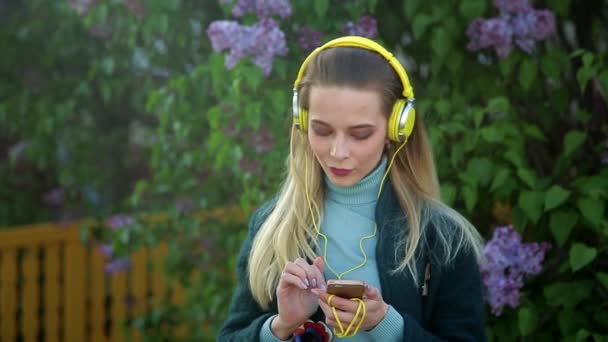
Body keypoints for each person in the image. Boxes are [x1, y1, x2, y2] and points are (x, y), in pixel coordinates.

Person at [218, 36, 486, 341]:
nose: (338, 152)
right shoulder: (271, 225)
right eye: (322, 130)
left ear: (396, 129)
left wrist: (388, 326)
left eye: (360, 134)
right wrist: (280, 327)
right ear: (302, 123)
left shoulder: (442, 237)